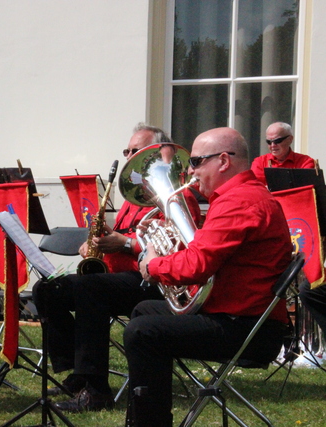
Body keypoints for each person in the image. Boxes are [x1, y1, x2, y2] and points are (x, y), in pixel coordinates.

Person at [123, 127, 293, 426]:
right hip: (239, 315)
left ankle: (150, 422)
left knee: (143, 332)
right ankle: (143, 413)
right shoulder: (237, 197)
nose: (190, 170)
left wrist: (153, 265)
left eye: (197, 161)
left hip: (247, 328)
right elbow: (205, 254)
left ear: (224, 161)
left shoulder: (239, 201)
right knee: (144, 311)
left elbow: (197, 265)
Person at [35, 124, 201, 412]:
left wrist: (124, 243)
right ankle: (75, 372)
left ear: (156, 155)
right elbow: (124, 233)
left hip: (153, 280)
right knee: (48, 289)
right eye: (127, 151)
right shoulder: (131, 198)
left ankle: (96, 390)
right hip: (118, 276)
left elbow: (173, 244)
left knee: (91, 289)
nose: (128, 157)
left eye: (135, 151)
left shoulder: (175, 195)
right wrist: (96, 242)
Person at [251, 122, 315, 184]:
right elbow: (256, 188)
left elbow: (305, 188)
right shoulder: (260, 162)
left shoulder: (305, 161)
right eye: (269, 142)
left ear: (290, 139)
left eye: (277, 141)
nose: (273, 145)